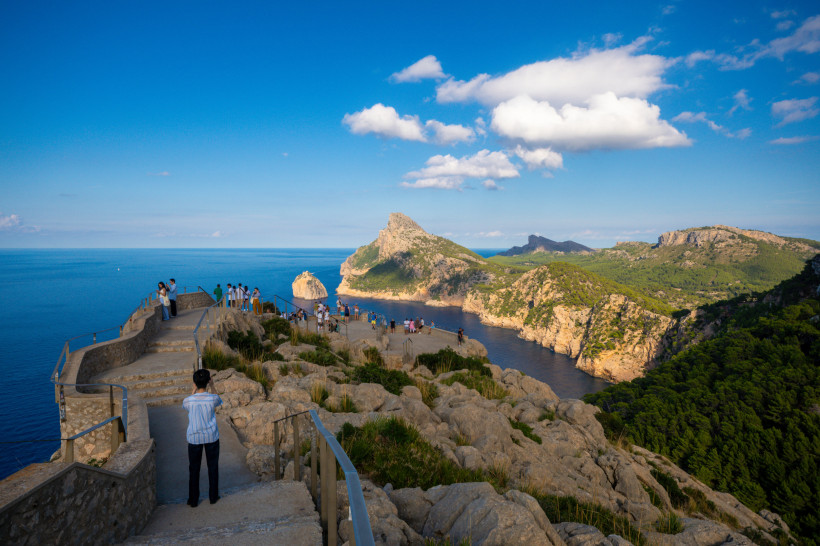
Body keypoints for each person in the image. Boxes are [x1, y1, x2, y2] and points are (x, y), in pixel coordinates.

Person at [183, 368, 222, 507]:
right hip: (211, 436)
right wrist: (213, 386)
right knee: (213, 467)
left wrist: (193, 390)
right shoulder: (213, 398)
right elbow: (219, 400)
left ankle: (193, 500)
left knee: (194, 469)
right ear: (208, 381)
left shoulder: (188, 401)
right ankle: (213, 497)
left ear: (195, 382)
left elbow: (186, 406)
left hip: (194, 438)